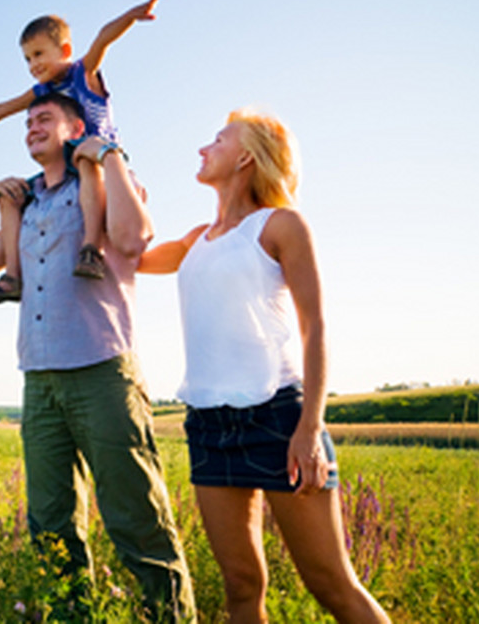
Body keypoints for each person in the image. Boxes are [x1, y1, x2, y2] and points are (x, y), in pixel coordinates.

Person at [139, 109, 391, 623]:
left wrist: (309, 427)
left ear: (247, 157)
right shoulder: (194, 241)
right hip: (208, 425)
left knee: (330, 583)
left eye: (217, 140)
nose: (203, 148)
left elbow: (314, 328)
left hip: (277, 418)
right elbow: (130, 256)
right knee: (240, 585)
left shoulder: (281, 225)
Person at [0, 92, 195, 621]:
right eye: (26, 123)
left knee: (137, 516)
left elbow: (134, 240)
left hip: (101, 371)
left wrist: (107, 154)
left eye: (43, 119)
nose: (30, 128)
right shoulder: (28, 206)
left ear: (74, 129)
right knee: (50, 524)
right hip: (39, 380)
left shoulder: (101, 185)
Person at [0, 0, 169, 304]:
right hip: (63, 168)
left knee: (83, 159)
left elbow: (104, 37)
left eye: (38, 54)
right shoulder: (41, 91)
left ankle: (90, 248)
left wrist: (134, 14)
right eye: (27, 59)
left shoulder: (82, 73)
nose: (32, 65)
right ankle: (13, 276)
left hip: (97, 157)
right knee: (12, 197)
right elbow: (0, 109)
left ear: (64, 50)